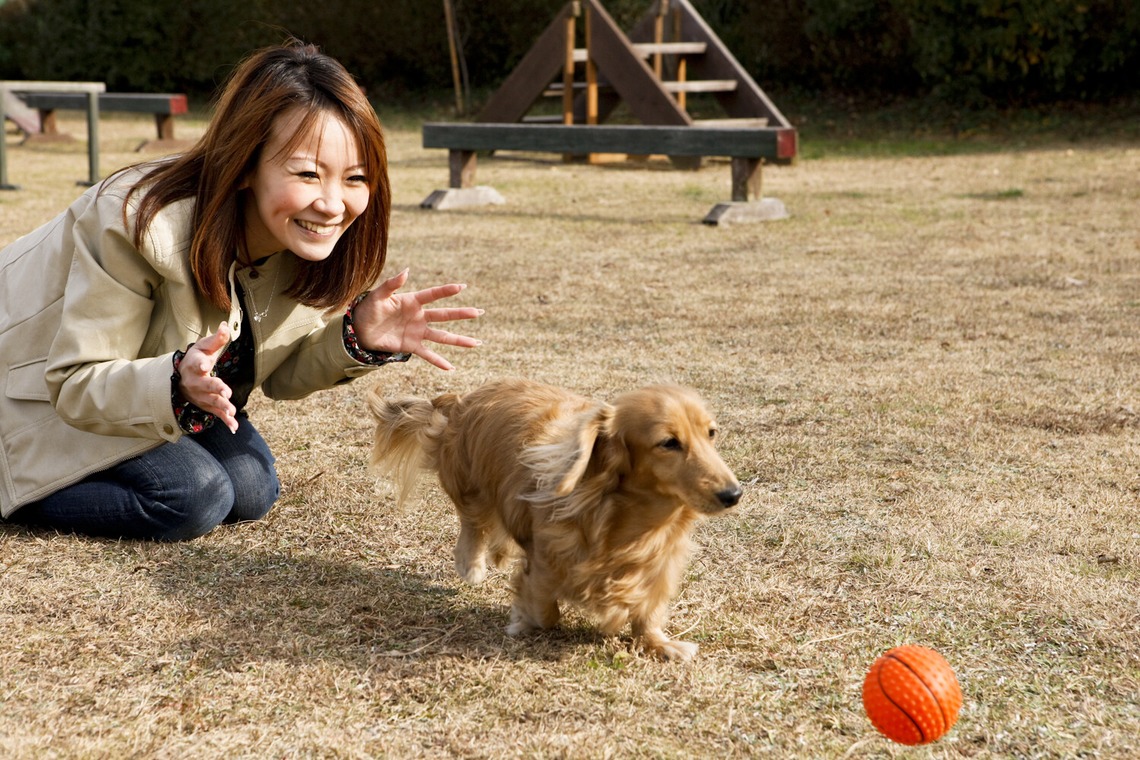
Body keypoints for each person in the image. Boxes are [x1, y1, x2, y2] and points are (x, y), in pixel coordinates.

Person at [0, 41, 482, 541]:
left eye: (356, 178)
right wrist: (173, 382)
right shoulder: (139, 220)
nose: (333, 205)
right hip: (33, 391)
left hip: (166, 395)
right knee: (194, 495)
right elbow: (76, 381)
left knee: (252, 488)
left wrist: (355, 336)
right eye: (308, 174)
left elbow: (281, 375)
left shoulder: (295, 238)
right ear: (247, 162)